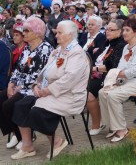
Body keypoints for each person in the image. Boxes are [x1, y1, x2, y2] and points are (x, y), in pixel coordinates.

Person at [10, 21, 90, 160]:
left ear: (70, 35)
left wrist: (46, 91)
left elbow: (69, 80)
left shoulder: (76, 53)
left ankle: (57, 141)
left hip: (69, 96)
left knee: (36, 110)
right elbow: (44, 72)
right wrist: (36, 85)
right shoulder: (58, 50)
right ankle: (27, 146)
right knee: (21, 105)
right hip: (51, 93)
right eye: (56, 32)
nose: (55, 35)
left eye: (59, 33)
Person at [0, 17, 53, 152]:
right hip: (21, 86)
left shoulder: (46, 49)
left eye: (27, 30)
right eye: (23, 30)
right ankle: (18, 133)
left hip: (33, 89)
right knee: (1, 98)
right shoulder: (27, 48)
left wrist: (19, 87)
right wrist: (12, 83)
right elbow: (18, 69)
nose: (24, 33)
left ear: (37, 32)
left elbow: (39, 75)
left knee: (9, 105)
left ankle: (24, 138)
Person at [99, 19, 136, 142]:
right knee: (103, 92)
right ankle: (113, 127)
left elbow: (135, 71)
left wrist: (116, 74)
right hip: (128, 81)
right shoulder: (127, 47)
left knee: (113, 95)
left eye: (127, 30)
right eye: (123, 30)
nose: (124, 33)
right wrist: (117, 78)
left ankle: (122, 129)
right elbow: (121, 66)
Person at [87, 19, 126, 135]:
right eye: (107, 29)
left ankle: (97, 123)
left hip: (110, 76)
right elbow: (96, 58)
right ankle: (101, 121)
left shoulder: (121, 45)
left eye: (111, 30)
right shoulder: (107, 43)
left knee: (88, 93)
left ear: (120, 31)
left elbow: (113, 66)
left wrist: (94, 69)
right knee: (80, 86)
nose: (107, 32)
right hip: (97, 72)